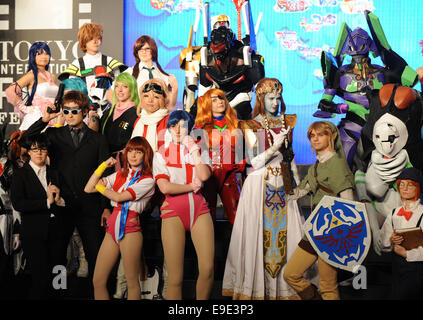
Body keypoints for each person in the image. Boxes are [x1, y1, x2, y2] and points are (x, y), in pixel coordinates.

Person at [222, 78, 313, 300]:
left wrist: (296, 184)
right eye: (271, 98)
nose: (275, 102)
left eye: (278, 98)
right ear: (261, 99)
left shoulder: (287, 121)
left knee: (289, 235)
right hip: (259, 184)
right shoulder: (252, 125)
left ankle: (285, 289)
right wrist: (275, 146)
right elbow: (255, 162)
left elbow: (289, 159)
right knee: (258, 236)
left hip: (283, 182)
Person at [20, 90, 110, 298]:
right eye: (66, 111)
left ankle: (94, 293)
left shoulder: (98, 140)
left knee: (95, 254)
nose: (69, 115)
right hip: (62, 205)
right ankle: (58, 293)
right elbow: (27, 141)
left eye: (74, 111)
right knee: (58, 255)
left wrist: (106, 206)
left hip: (91, 206)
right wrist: (45, 120)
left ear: (85, 111)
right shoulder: (54, 134)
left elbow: (106, 175)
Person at [283, 121, 355, 300]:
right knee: (291, 274)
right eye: (312, 136)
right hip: (315, 229)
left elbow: (349, 204)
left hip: (332, 233)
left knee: (328, 287)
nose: (315, 139)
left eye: (320, 135)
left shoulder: (337, 164)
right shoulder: (317, 164)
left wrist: (344, 237)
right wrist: (284, 170)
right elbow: (299, 192)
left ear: (331, 137)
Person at [84, 136, 155, 300]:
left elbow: (119, 197)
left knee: (132, 283)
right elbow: (88, 188)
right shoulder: (119, 175)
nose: (133, 155)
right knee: (98, 280)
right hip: (112, 229)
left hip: (131, 230)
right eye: (130, 151)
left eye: (138, 152)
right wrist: (102, 166)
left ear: (145, 155)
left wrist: (100, 187)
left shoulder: (148, 180)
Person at [153, 110, 214, 299]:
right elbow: (164, 187)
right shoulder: (160, 154)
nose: (179, 130)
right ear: (169, 128)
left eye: (183, 126)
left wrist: (194, 150)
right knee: (175, 276)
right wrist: (190, 186)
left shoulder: (199, 151)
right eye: (174, 126)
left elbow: (204, 176)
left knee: (208, 268)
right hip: (173, 211)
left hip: (199, 209)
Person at [10, 134, 68, 299]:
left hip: (57, 232)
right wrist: (47, 202)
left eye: (42, 149)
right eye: (34, 149)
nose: (39, 153)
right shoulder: (20, 174)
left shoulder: (55, 173)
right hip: (34, 233)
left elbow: (67, 200)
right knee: (40, 278)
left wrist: (59, 199)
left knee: (59, 273)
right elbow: (18, 204)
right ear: (28, 152)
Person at [194, 88, 246, 224]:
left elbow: (243, 151)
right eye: (214, 100)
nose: (219, 102)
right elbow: (197, 154)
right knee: (206, 217)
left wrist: (240, 169)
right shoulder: (200, 128)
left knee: (237, 216)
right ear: (206, 104)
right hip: (209, 175)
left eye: (221, 98)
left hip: (230, 174)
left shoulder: (235, 124)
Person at [58, 23, 127, 118]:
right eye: (91, 39)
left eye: (98, 38)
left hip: (108, 111)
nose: (95, 42)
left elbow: (120, 88)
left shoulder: (110, 62)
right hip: (84, 113)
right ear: (83, 41)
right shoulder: (77, 64)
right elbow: (72, 93)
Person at [380, 167, 423, 299]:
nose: (404, 188)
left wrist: (406, 253)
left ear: (418, 188)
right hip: (398, 270)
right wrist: (391, 241)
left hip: (419, 271)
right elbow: (383, 244)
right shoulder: (394, 213)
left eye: (410, 184)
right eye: (401, 184)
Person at [5, 42, 59, 130]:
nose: (44, 57)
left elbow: (55, 98)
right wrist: (24, 108)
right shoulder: (31, 75)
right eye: (39, 54)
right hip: (35, 117)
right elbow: (10, 91)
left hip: (52, 118)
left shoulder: (52, 76)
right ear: (33, 56)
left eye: (46, 54)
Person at [124, 35, 178, 112]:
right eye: (140, 49)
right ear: (136, 52)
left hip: (159, 119)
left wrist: (175, 89)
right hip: (138, 118)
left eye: (147, 48)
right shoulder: (129, 73)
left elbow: (170, 106)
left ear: (153, 50)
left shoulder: (164, 76)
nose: (143, 52)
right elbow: (111, 95)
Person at [131, 79, 171, 151]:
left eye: (156, 97)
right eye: (146, 96)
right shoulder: (138, 121)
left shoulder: (169, 121)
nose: (150, 100)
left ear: (164, 100)